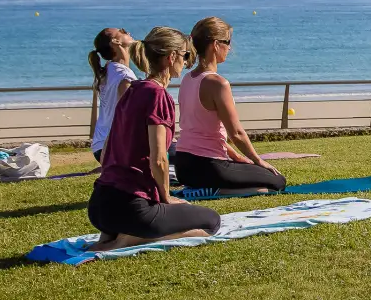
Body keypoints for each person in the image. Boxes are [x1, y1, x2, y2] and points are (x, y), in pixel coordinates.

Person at [86, 27, 221, 251]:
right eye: (185, 56)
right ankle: (126, 240)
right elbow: (158, 158)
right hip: (132, 208)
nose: (187, 62)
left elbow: (110, 144)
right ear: (171, 58)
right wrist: (166, 197)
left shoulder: (133, 89)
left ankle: (110, 236)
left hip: (100, 207)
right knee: (211, 221)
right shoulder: (158, 95)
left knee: (181, 211)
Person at [172, 17, 286, 192]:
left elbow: (203, 131)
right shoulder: (218, 83)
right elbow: (236, 133)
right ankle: (213, 190)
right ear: (216, 45)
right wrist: (258, 160)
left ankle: (205, 187)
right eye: (228, 42)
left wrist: (237, 157)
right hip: (209, 166)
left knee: (255, 173)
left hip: (183, 166)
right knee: (277, 181)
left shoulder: (188, 79)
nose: (230, 47)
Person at [88, 28, 140, 163]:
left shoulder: (109, 69)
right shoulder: (124, 76)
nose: (128, 32)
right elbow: (127, 116)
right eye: (123, 31)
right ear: (115, 42)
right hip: (113, 147)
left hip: (101, 145)